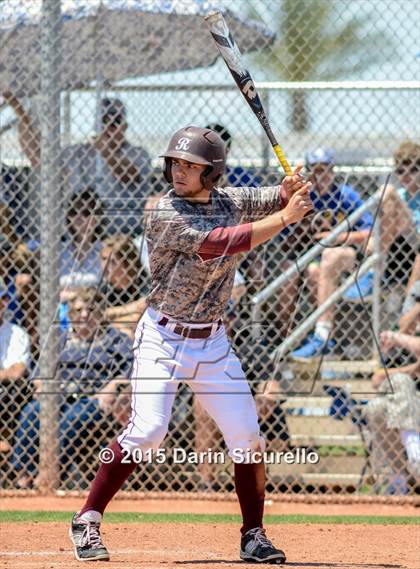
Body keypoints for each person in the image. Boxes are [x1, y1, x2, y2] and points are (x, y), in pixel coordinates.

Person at [68, 125, 313, 563]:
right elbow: (222, 243)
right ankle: (86, 519)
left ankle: (253, 535)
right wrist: (285, 215)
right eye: (175, 163)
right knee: (148, 432)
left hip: (213, 342)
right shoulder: (165, 212)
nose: (179, 172)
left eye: (190, 166)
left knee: (247, 437)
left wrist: (286, 190)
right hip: (162, 338)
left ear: (211, 172)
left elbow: (269, 197)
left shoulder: (228, 200)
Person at [11, 287, 133, 488]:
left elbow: (131, 370)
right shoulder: (59, 339)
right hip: (59, 396)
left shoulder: (115, 339)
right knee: (32, 411)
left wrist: (112, 385)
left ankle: (49, 474)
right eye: (78, 311)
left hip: (93, 398)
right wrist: (42, 386)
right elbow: (39, 373)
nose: (85, 315)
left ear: (101, 312)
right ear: (69, 314)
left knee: (73, 418)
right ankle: (23, 476)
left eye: (91, 310)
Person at [2, 92, 151, 235]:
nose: (109, 126)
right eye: (104, 120)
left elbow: (129, 176)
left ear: (124, 125)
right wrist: (19, 111)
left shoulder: (138, 154)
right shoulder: (78, 152)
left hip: (121, 234)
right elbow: (38, 156)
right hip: (77, 234)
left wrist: (107, 153)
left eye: (115, 121)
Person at [290, 148, 374, 361]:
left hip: (347, 253)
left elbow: (371, 231)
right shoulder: (303, 198)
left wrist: (338, 236)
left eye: (327, 170)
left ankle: (322, 334)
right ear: (309, 173)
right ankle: (327, 340)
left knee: (331, 257)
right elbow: (288, 239)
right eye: (317, 171)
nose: (323, 176)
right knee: (313, 272)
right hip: (314, 256)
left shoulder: (345, 194)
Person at [343, 140, 419, 302]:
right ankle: (376, 270)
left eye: (412, 170)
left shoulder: (396, 195)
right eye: (400, 170)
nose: (405, 175)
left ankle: (374, 272)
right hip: (397, 249)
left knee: (388, 192)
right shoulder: (401, 194)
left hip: (416, 245)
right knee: (390, 197)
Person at [0, 278, 31, 443]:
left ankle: (5, 440)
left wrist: (4, 375)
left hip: (6, 393)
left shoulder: (17, 334)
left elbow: (17, 371)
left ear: (4, 303)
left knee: (10, 387)